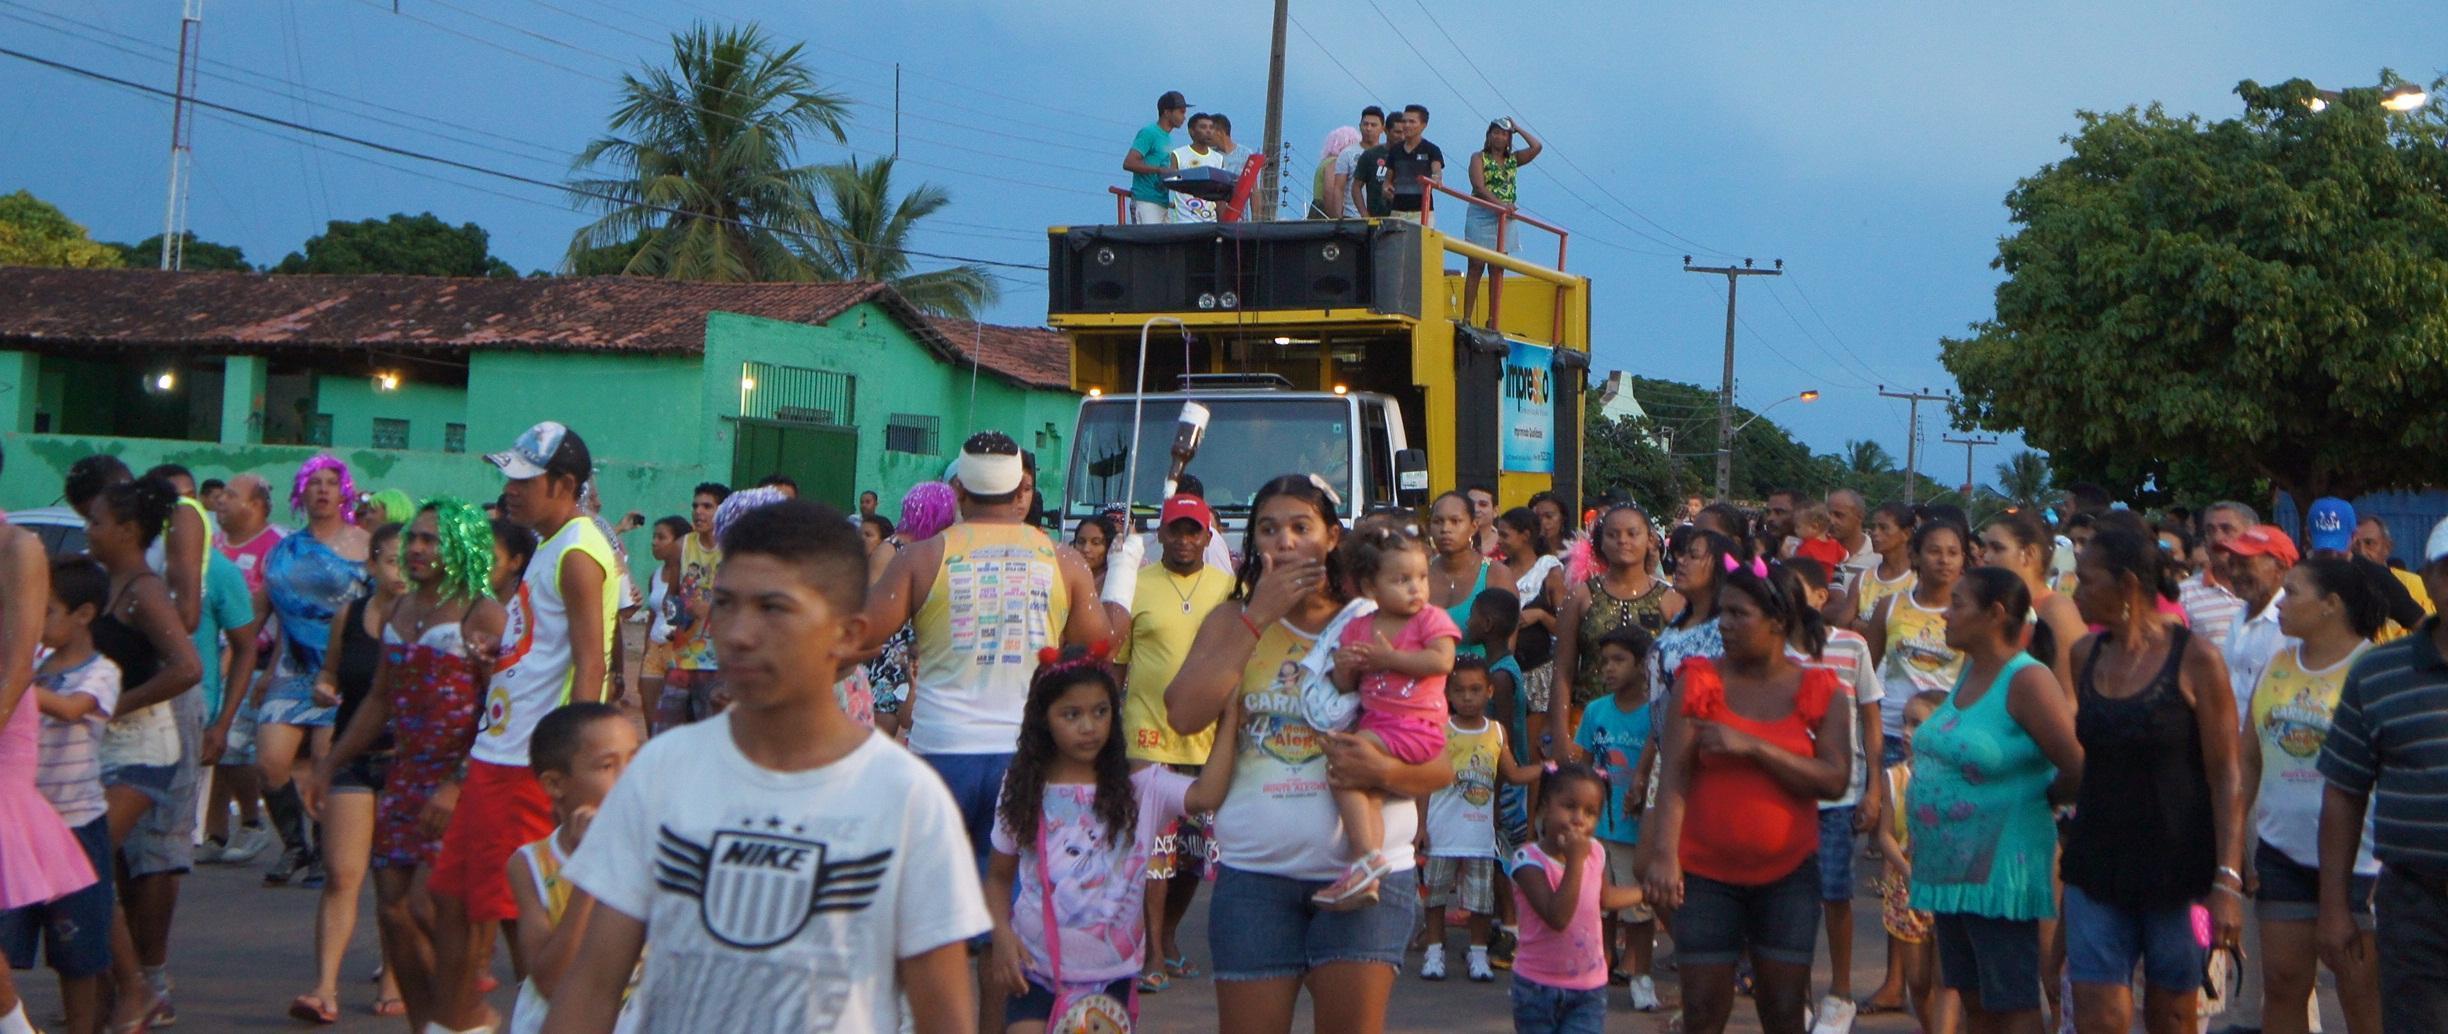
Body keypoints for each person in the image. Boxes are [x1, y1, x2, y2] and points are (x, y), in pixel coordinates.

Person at [543, 498, 988, 1034]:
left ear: (848, 635)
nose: (737, 633)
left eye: (773, 608)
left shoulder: (907, 799)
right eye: (726, 603)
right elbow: (592, 985)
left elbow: (944, 1016)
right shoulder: (661, 771)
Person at [1161, 474, 1454, 1033]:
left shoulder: (1387, 624)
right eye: (1268, 529)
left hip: (1365, 880)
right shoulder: (1231, 620)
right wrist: (1258, 617)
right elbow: (1183, 715)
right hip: (1254, 878)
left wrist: (1384, 768)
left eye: (1301, 527)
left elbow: (1439, 765)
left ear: (1333, 538)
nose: (1285, 542)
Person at [430, 422, 617, 1034]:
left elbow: (592, 660)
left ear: (564, 484)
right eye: (507, 476)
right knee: (453, 903)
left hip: (525, 764)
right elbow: (546, 650)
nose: (509, 490)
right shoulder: (553, 545)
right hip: (501, 755)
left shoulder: (577, 552)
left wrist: (572, 764)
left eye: (523, 479)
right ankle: (463, 1021)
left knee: (520, 926)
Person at [1640, 557, 1852, 1034]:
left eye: (1739, 615)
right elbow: (1675, 774)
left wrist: (1753, 746)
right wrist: (1663, 855)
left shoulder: (1820, 689)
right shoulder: (1699, 682)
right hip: (1704, 874)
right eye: (1723, 614)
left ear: (1778, 622)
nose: (1726, 626)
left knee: (1782, 1011)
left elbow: (1834, 779)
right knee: (1703, 1011)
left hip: (1789, 875)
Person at [314, 498, 501, 1032]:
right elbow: (378, 699)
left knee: (429, 906)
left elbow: (499, 709)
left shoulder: (479, 611)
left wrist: (458, 782)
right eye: (413, 539)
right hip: (405, 774)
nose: (416, 549)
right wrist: (331, 763)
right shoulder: (399, 610)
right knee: (394, 912)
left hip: (456, 780)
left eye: (430, 540)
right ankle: (429, 1024)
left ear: (460, 545)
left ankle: (465, 1014)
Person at [983, 647, 1229, 1033]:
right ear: (1042, 721)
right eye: (1072, 714)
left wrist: (1230, 719)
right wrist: (1000, 933)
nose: (1089, 726)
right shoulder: (1022, 789)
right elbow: (998, 876)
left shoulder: (1142, 787)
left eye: (1101, 712)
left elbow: (1206, 796)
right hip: (1034, 969)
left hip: (1111, 980)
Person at [2061, 527, 2246, 1034]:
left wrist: (2226, 881)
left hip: (2182, 874)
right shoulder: (2084, 656)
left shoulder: (2196, 659)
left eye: (2085, 580)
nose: (2075, 593)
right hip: (2097, 866)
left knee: (2173, 1015)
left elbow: (2227, 773)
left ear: (2126, 584)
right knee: (2098, 1017)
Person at [1908, 567, 2082, 1034]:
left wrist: (2034, 799)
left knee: (2012, 1003)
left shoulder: (2026, 679)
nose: (1946, 612)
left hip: (2001, 872)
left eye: (1958, 603)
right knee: (1974, 1001)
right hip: (1952, 872)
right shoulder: (1968, 670)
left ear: (1995, 614)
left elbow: (2077, 764)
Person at [2235, 556, 2383, 1034]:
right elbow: (2248, 759)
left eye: (2293, 592)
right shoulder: (2276, 665)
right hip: (2283, 854)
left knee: (2361, 992)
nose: (2281, 603)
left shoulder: (2373, 669)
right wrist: (2235, 837)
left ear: (2331, 605)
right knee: (2281, 985)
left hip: (2363, 863)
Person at [82, 474, 205, 1032]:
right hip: (109, 747)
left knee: (84, 860)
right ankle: (116, 987)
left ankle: (135, 987)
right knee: (94, 865)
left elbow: (187, 666)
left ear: (128, 531)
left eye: (97, 522)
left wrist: (115, 703)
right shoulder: (110, 584)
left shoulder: (144, 591)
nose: (89, 531)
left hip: (145, 747)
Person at [2316, 516, 2448, 1033]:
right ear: (2429, 580)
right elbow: (2344, 793)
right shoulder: (2378, 673)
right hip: (2416, 905)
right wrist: (2333, 908)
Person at [1110, 494, 1232, 993]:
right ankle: (1151, 953)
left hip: (1207, 743)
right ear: (1160, 535)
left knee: (1192, 855)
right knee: (1153, 852)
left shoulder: (1228, 590)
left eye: (1193, 531)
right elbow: (1117, 666)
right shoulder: (1136, 585)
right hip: (1146, 735)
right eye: (1175, 531)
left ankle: (1169, 935)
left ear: (1208, 536)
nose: (1184, 540)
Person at [289, 521, 408, 1022]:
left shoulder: (429, 619)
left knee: (391, 882)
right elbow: (330, 672)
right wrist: (324, 687)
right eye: (391, 559)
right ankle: (325, 987)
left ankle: (395, 979)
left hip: (406, 762)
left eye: (411, 557)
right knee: (342, 873)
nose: (402, 569)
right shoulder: (349, 616)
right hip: (352, 757)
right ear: (372, 564)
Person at [1315, 525, 1462, 908]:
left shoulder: (1430, 619)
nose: (1416, 588)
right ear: (1370, 586)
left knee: (1345, 767)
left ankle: (1365, 859)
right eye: (1402, 580)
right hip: (1380, 725)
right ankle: (1369, 875)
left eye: (1421, 577)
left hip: (1416, 728)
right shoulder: (1359, 626)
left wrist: (1389, 659)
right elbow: (1348, 687)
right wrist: (1345, 668)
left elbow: (1442, 661)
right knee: (1370, 796)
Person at [2, 557, 119, 1034]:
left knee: (77, 951)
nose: (34, 620)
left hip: (75, 823)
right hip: (23, 823)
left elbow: (73, 709)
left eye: (46, 611)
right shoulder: (31, 667)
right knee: (11, 938)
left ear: (83, 615)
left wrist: (18, 688)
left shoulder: (101, 672)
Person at [1773, 558, 1882, 1034]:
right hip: (1782, 792)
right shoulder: (1772, 653)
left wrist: (1875, 787)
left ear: (1821, 596)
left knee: (1836, 893)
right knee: (1787, 899)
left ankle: (1840, 993)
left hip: (1839, 794)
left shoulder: (1851, 646)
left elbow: (1871, 720)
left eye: (1795, 589)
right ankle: (1795, 994)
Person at [256, 454, 373, 886]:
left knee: (327, 759)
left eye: (330, 482)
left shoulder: (364, 544)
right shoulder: (285, 549)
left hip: (342, 668)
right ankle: (294, 846)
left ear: (343, 492)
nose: (322, 490)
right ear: (301, 493)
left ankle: (326, 850)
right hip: (292, 667)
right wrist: (267, 672)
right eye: (314, 483)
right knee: (269, 763)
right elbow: (285, 615)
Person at [506, 703, 640, 1034]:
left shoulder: (655, 852)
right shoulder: (532, 863)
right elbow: (551, 981)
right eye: (608, 766)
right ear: (555, 784)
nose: (629, 778)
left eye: (634, 760)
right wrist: (590, 869)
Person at [1418, 655, 1540, 984]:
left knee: (1481, 901)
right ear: (1448, 693)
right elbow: (1426, 782)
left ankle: (1478, 953)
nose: (1468, 697)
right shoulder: (1441, 729)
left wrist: (1545, 768)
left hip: (1479, 834)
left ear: (1489, 691)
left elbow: (1512, 773)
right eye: (1460, 690)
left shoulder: (1496, 732)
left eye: (1475, 690)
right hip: (1442, 830)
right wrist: (1420, 827)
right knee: (1437, 896)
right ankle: (1434, 951)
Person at [1564, 625, 1663, 1009]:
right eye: (1604, 661)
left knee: (1638, 911)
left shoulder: (1653, 716)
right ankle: (1601, 964)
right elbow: (1584, 768)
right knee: (1596, 904)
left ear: (1642, 666)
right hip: (1597, 830)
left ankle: (1641, 976)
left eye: (1619, 660)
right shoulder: (1594, 711)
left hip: (1634, 830)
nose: (1608, 668)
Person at [1510, 762, 1647, 1034]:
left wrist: (1645, 893)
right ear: (1546, 805)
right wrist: (1575, 861)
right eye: (1569, 806)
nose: (1579, 819)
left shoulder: (1595, 852)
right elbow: (1557, 917)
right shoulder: (1528, 861)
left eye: (1590, 812)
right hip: (1537, 987)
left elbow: (1603, 898)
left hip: (1588, 988)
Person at [204, 473, 283, 865]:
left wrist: (270, 671)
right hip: (211, 659)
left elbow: (282, 615)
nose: (220, 500)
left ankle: (252, 823)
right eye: (220, 494)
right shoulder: (212, 546)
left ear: (256, 505)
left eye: (231, 495)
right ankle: (215, 832)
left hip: (251, 661)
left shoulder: (275, 550)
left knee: (233, 747)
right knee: (217, 750)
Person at [1551, 504, 1670, 752]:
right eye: (1613, 535)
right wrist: (1561, 734)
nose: (1622, 541)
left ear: (1650, 540)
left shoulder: (1670, 599)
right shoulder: (1581, 596)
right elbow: (1563, 668)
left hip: (1649, 725)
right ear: (1600, 543)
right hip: (1587, 720)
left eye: (1632, 533)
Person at [1872, 690, 1956, 1033]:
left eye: (1917, 723)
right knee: (1918, 982)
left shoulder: (1956, 778)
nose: (1906, 731)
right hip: (1907, 890)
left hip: (1946, 886)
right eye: (1904, 722)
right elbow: (1885, 835)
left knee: (1947, 978)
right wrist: (1906, 871)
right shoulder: (1896, 777)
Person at [1867, 520, 1969, 772]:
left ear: (1963, 559)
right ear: (1915, 555)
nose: (1944, 560)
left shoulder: (1970, 615)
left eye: (1953, 553)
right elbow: (1865, 672)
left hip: (1946, 735)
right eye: (1934, 551)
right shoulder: (1889, 606)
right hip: (1893, 732)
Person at [868, 482, 957, 740]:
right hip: (892, 649)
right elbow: (875, 601)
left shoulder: (936, 548)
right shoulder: (891, 549)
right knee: (886, 722)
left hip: (921, 648)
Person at [656, 482, 729, 733]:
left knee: (712, 733)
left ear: (723, 510)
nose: (699, 512)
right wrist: (676, 612)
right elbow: (671, 596)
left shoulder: (733, 548)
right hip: (683, 656)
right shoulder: (682, 546)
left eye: (707, 506)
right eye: (696, 506)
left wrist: (712, 610)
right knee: (666, 729)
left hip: (720, 661)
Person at [1979, 510, 2087, 678]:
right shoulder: (1991, 605)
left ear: (2029, 554)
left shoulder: (2056, 611)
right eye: (1985, 548)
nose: (1986, 557)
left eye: (1997, 548)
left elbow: (2069, 696)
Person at [1460, 116, 1543, 324]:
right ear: (1489, 136)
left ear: (1509, 138)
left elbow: (1537, 146)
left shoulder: (1512, 160)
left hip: (1505, 217)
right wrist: (1499, 205)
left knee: (1497, 268)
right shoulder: (1478, 157)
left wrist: (1518, 128)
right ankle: (1467, 317)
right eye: (1495, 132)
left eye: (1504, 134)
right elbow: (1479, 187)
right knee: (1476, 264)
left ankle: (1493, 320)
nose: (1499, 137)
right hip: (1483, 212)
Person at [1499, 508, 1567, 753]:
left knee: (1531, 749)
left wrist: (1539, 615)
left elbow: (1567, 625)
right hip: (1505, 672)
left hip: (1537, 673)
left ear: (1525, 535)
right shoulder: (1499, 570)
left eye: (1505, 535)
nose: (1499, 541)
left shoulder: (1549, 570)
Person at [2180, 501, 2259, 647]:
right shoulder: (2184, 594)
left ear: (2252, 535)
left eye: (2226, 529)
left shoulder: (2276, 590)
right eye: (2210, 531)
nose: (2217, 538)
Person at [1124, 90, 1190, 225]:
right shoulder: (1149, 132)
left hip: (1162, 202)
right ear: (1167, 112)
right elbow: (1129, 162)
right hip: (1146, 201)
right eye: (1181, 112)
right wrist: (1158, 170)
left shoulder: (1167, 138)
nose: (1184, 117)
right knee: (1147, 244)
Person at [2350, 515, 2435, 615]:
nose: (2361, 552)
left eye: (2369, 543)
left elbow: (2426, 625)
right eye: (2354, 545)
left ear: (2387, 547)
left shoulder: (2410, 584)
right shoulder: (2341, 587)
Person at [1382, 105, 1445, 224]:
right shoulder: (1395, 150)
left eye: (1412, 122)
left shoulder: (1431, 149)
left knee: (1420, 242)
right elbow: (1387, 179)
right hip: (1397, 211)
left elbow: (1436, 170)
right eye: (1404, 121)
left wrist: (1436, 178)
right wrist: (1386, 188)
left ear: (1423, 125)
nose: (1406, 125)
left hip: (1422, 212)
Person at [1169, 113, 1224, 223]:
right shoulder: (1178, 155)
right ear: (1191, 131)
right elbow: (1170, 186)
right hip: (1183, 221)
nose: (1208, 131)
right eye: (1203, 127)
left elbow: (1220, 195)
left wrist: (1222, 223)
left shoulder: (1218, 158)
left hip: (1210, 221)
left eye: (1211, 127)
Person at [1347, 106, 1394, 220]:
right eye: (1365, 124)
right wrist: (1365, 216)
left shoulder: (1407, 156)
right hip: (1371, 217)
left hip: (1403, 218)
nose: (1368, 128)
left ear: (1383, 129)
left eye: (1373, 125)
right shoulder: (1366, 155)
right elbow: (1355, 187)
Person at [1311, 124, 1361, 219]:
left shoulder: (1325, 162)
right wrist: (1336, 219)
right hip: (1326, 212)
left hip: (1318, 210)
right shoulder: (1335, 163)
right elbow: (1330, 191)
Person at [1791, 505, 1848, 572]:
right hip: (1830, 579)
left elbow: (1796, 567)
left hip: (1812, 580)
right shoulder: (1835, 544)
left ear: (1814, 527)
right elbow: (1846, 557)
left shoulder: (1806, 547)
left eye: (1798, 527)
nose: (1795, 531)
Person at [1072, 513, 1116, 586]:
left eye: (1096, 543)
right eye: (1081, 542)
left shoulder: (1114, 581)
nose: (1086, 549)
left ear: (1109, 547)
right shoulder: (1065, 574)